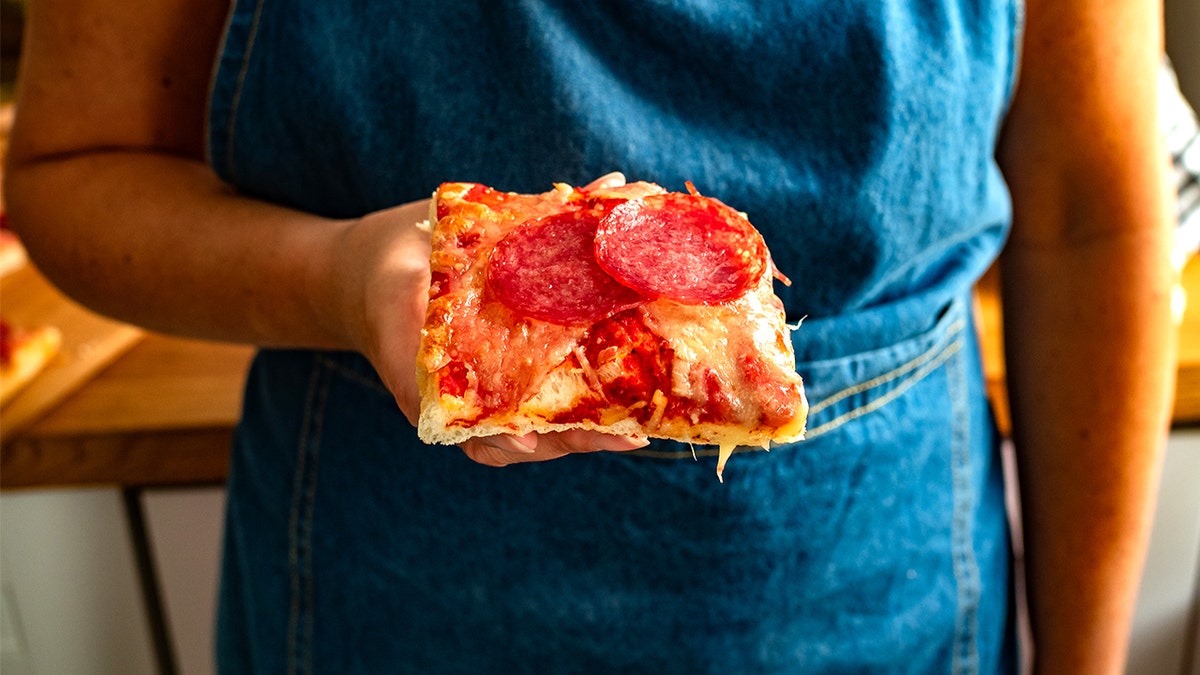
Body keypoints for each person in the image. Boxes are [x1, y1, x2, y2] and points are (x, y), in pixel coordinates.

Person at [4, 0, 1176, 673]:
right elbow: (74, 167)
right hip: (393, 599)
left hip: (886, 590)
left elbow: (1090, 216)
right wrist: (332, 275)